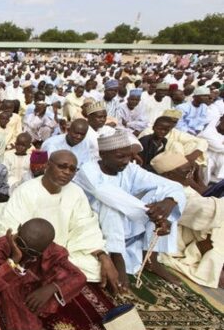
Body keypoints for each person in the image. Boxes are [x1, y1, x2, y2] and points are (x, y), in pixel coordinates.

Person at [0, 150, 121, 292]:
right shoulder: (27, 190)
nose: (67, 172)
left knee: (93, 267)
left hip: (63, 250)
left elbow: (85, 227)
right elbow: (13, 229)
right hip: (31, 250)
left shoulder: (76, 192)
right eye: (62, 166)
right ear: (47, 165)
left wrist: (103, 256)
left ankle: (51, 272)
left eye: (72, 169)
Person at [74, 130, 186, 288]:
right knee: (111, 205)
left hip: (126, 219)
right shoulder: (88, 170)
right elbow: (106, 193)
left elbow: (173, 186)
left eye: (129, 156)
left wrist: (168, 202)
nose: (127, 161)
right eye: (120, 156)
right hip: (92, 222)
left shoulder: (130, 169)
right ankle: (117, 257)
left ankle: (151, 259)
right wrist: (153, 214)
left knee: (164, 199)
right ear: (103, 154)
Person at [0, 218, 86, 330]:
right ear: (18, 229)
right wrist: (14, 260)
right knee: (9, 282)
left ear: (44, 249)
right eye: (20, 243)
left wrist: (51, 288)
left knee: (62, 281)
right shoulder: (0, 246)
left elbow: (80, 278)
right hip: (7, 292)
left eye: (30, 252)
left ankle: (21, 328)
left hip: (35, 294)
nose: (23, 251)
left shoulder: (53, 251)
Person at [151, 152, 223, 288]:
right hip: (174, 236)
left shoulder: (184, 186)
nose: (191, 173)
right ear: (169, 175)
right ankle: (210, 261)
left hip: (195, 232)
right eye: (186, 171)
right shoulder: (165, 191)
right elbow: (202, 212)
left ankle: (212, 257)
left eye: (191, 168)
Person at [138, 110, 208, 173]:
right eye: (169, 120)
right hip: (148, 168)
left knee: (191, 144)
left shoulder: (171, 134)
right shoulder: (147, 134)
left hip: (164, 164)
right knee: (176, 145)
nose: (171, 124)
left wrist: (191, 157)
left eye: (174, 122)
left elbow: (202, 141)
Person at [199, 115, 224, 184]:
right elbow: (219, 147)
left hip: (216, 161)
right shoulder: (208, 132)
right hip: (203, 158)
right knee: (209, 161)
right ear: (221, 118)